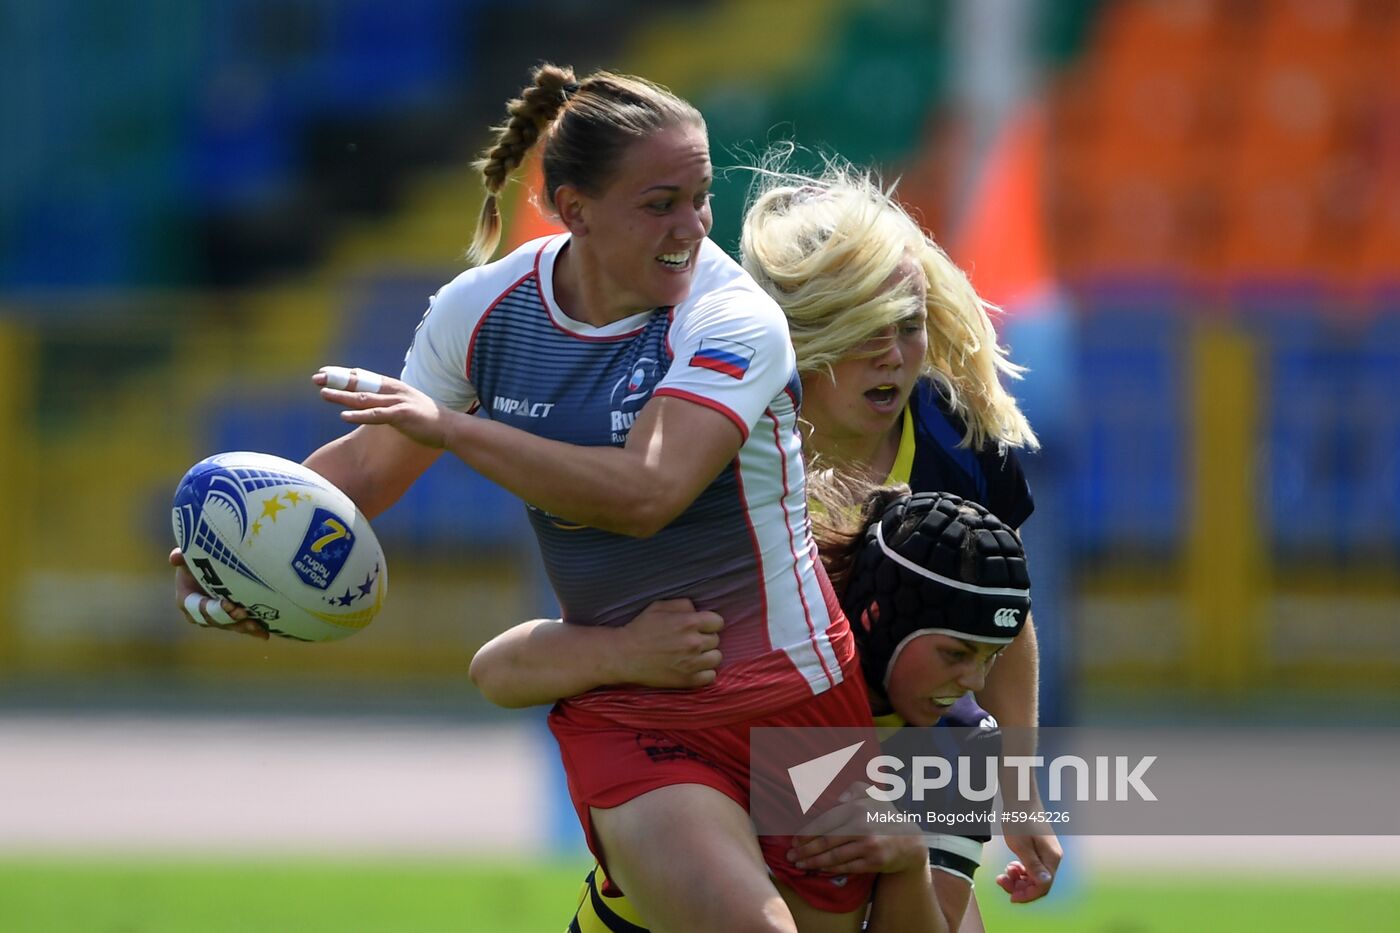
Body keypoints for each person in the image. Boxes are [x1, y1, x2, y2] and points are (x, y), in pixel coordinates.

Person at [171, 65, 891, 933]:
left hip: (797, 697)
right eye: (660, 202)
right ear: (573, 207)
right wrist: (243, 564)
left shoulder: (730, 317)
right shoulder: (482, 310)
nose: (693, 228)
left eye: (701, 198)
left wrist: (453, 428)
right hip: (630, 705)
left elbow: (648, 491)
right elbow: (363, 474)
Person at [470, 159, 1061, 930]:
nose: (895, 353)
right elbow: (541, 659)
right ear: (807, 333)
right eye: (864, 327)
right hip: (717, 754)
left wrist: (1018, 788)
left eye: (909, 324)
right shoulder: (718, 440)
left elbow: (996, 621)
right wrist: (627, 655)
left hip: (892, 764)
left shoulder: (955, 436)